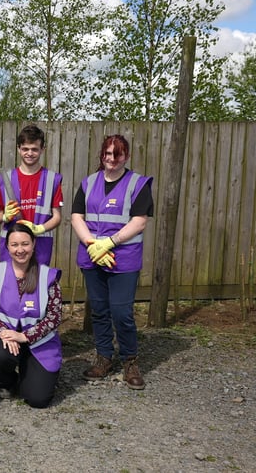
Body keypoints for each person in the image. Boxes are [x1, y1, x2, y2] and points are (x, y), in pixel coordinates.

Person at [71, 134, 153, 390]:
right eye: (107, 154)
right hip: (92, 256)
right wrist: (92, 244)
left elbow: (139, 220)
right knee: (99, 310)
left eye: (116, 155)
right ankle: (104, 356)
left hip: (122, 259)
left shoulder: (137, 184)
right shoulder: (89, 182)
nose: (111, 159)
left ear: (125, 156)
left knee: (121, 312)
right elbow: (76, 216)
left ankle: (130, 360)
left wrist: (110, 242)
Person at [0, 223, 63, 408]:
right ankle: (7, 381)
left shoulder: (48, 276)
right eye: (14, 245)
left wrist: (25, 336)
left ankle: (33, 372)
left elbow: (54, 316)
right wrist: (3, 331)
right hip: (7, 337)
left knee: (38, 399)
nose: (20, 250)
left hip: (39, 342)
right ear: (7, 247)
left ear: (34, 244)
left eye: (25, 244)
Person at [0, 125, 63, 264]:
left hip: (41, 245)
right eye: (25, 149)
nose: (29, 153)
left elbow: (57, 217)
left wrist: (40, 228)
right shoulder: (6, 179)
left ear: (42, 150)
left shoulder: (52, 179)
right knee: (10, 284)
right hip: (12, 246)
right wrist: (5, 217)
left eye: (34, 149)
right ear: (18, 149)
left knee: (38, 284)